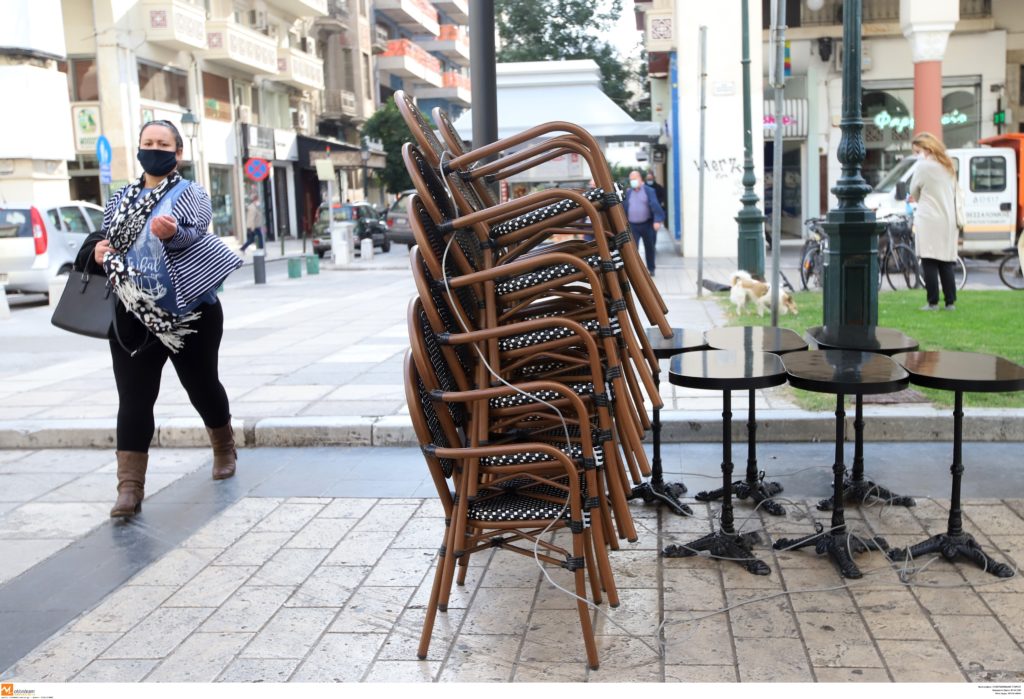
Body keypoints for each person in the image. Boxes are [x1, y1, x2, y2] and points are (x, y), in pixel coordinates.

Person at [75, 119, 243, 519]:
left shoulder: (192, 193)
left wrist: (171, 233)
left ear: (177, 153)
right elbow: (105, 238)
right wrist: (97, 252)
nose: (154, 148)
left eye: (163, 143)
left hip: (190, 313)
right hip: (132, 312)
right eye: (148, 142)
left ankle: (223, 446)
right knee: (134, 399)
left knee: (201, 386)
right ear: (138, 148)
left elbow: (195, 231)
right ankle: (129, 488)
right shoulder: (121, 197)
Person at [909, 132, 959, 311]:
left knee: (929, 260)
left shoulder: (924, 167)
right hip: (948, 218)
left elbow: (913, 189)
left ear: (926, 149)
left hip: (929, 218)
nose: (917, 155)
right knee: (946, 262)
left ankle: (932, 302)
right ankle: (950, 302)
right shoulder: (948, 164)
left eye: (917, 151)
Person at [623, 169, 666, 276]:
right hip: (633, 225)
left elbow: (656, 205)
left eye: (634, 179)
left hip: (647, 224)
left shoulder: (649, 190)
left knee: (649, 247)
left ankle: (651, 268)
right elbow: (624, 207)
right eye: (631, 179)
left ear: (640, 179)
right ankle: (635, 270)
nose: (632, 181)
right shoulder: (628, 192)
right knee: (633, 249)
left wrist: (657, 220)